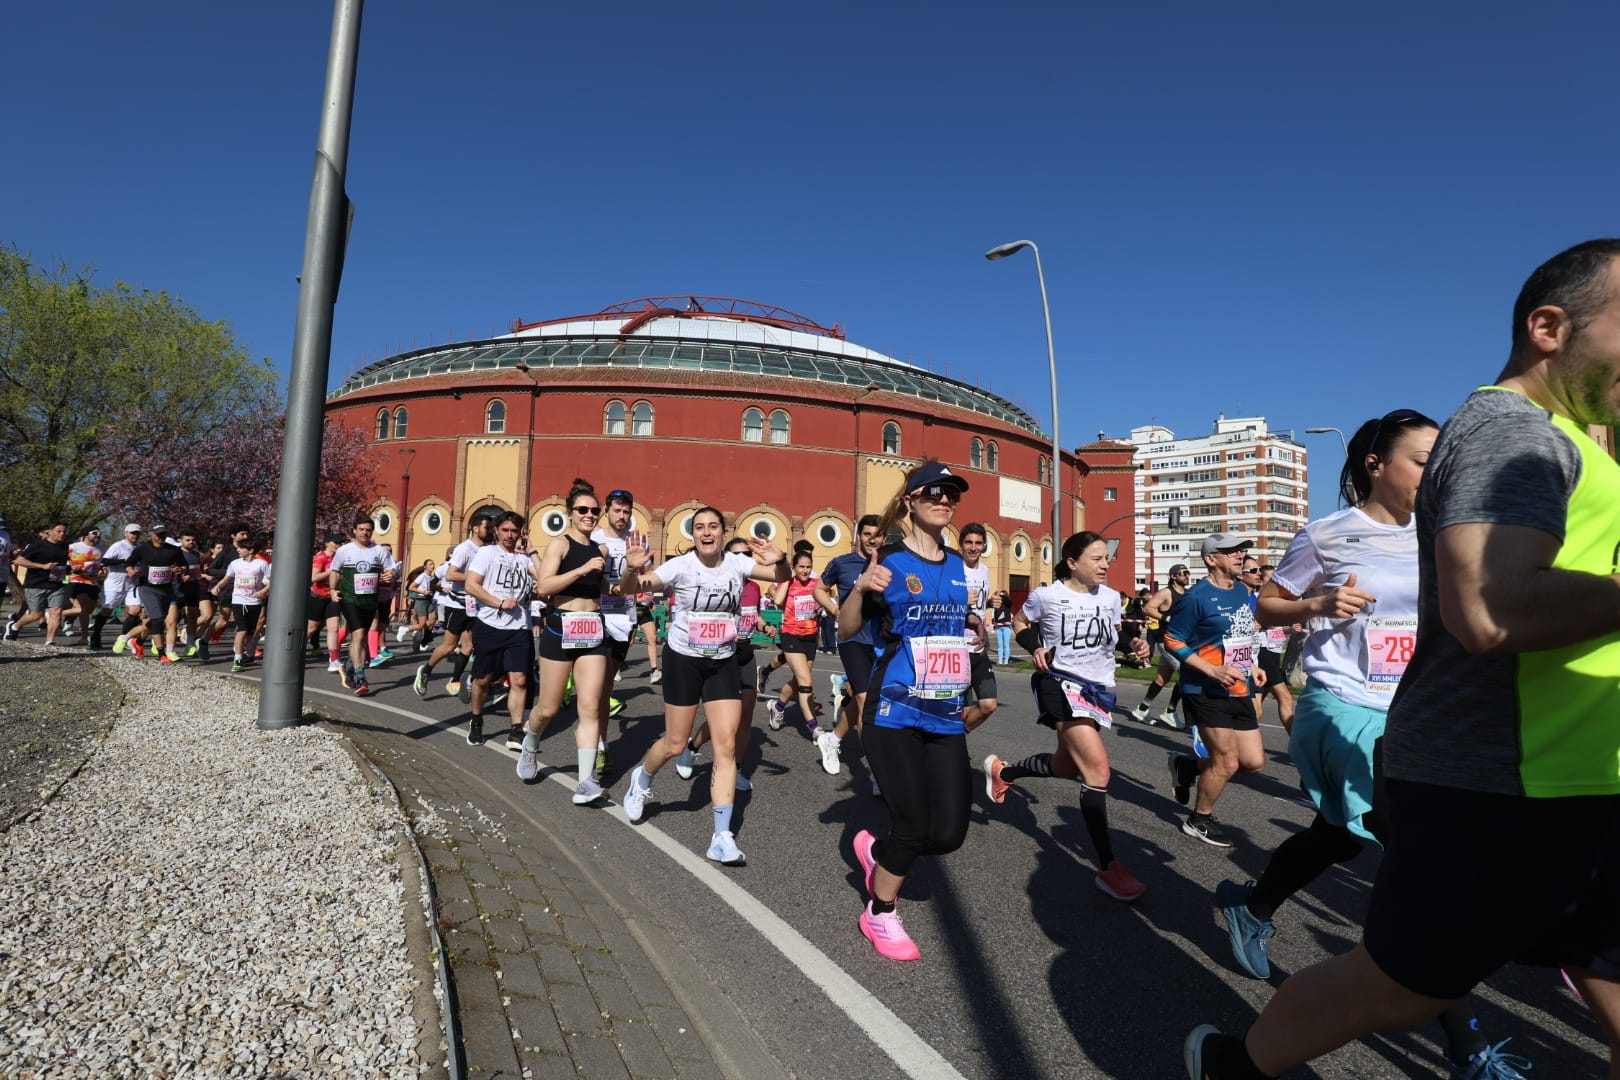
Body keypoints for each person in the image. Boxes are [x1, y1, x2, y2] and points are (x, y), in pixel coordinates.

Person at [1186, 239, 1620, 1079]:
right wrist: (1315, 607)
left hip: (1587, 770)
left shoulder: (1585, 446)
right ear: (1550, 327)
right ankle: (1239, 1056)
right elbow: (1489, 610)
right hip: (1490, 775)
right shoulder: (1509, 435)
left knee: (1605, 961)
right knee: (1404, 982)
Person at [841, 461, 974, 961]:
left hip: (943, 710)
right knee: (914, 824)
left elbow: (953, 626)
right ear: (911, 501)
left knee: (949, 834)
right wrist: (858, 588)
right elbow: (849, 630)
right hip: (893, 709)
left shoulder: (960, 564)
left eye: (952, 495)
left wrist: (972, 632)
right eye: (935, 492)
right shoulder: (889, 561)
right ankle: (879, 913)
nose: (945, 500)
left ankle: (878, 853)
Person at [985, 531, 1151, 902]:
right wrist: (1035, 647)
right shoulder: (1048, 595)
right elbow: (1019, 622)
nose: (1105, 564)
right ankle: (1109, 869)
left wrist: (1134, 645)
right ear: (1073, 562)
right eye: (1096, 559)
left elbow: (1111, 636)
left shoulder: (1110, 598)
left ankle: (1005, 773)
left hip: (1097, 689)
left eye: (1106, 558)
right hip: (1059, 684)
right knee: (1097, 772)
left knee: (1064, 767)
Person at [618, 507, 789, 866]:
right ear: (693, 534)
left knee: (725, 747)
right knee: (675, 742)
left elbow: (780, 576)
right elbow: (630, 589)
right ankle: (642, 778)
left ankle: (721, 837)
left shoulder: (737, 565)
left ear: (724, 532)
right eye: (700, 527)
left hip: (722, 660)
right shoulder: (680, 566)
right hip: (683, 660)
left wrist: (782, 560)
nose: (707, 533)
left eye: (713, 527)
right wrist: (632, 568)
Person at [1164, 533, 1267, 848]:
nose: (1240, 555)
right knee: (1226, 761)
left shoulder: (1242, 591)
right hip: (1204, 687)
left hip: (1239, 684)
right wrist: (1210, 669)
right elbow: (1173, 639)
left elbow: (1240, 635)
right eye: (1231, 551)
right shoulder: (1197, 596)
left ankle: (1186, 766)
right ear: (1211, 559)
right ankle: (1199, 820)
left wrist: (1254, 664)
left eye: (1241, 551)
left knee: (1253, 762)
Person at [514, 481, 614, 802]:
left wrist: (633, 573)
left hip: (593, 630)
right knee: (548, 707)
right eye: (583, 510)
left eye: (594, 511)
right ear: (571, 514)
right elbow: (544, 586)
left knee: (590, 708)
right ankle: (530, 745)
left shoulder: (603, 550)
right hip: (560, 628)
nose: (589, 515)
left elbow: (610, 590)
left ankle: (585, 782)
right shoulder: (560, 544)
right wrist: (582, 569)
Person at [675, 535, 770, 792]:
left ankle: (735, 769)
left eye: (747, 556)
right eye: (737, 555)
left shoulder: (754, 587)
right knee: (727, 720)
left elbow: (755, 615)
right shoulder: (719, 584)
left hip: (746, 654)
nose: (743, 561)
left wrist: (764, 626)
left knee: (746, 717)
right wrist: (725, 632)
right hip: (721, 655)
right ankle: (693, 747)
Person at [813, 514, 885, 791]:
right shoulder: (842, 563)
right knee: (868, 702)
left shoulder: (887, 563)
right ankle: (878, 772)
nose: (872, 540)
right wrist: (834, 610)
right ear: (858, 536)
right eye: (867, 534)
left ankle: (832, 740)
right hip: (851, 640)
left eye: (877, 535)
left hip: (880, 642)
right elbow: (820, 588)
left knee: (860, 697)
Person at [464, 512, 538, 755]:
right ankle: (476, 718)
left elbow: (545, 578)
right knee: (483, 680)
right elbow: (471, 585)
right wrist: (497, 602)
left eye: (514, 531)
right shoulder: (487, 554)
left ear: (520, 533)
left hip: (519, 628)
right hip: (490, 625)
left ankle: (516, 729)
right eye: (505, 530)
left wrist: (533, 553)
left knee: (520, 680)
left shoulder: (524, 559)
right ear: (497, 531)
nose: (509, 535)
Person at [414, 512, 495, 698]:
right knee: (449, 646)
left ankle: (455, 680)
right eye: (487, 528)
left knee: (469, 646)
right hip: (458, 605)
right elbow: (450, 575)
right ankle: (425, 671)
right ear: (475, 529)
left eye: (491, 528)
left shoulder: (488, 549)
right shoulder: (464, 549)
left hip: (475, 605)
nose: (490, 531)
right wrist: (476, 577)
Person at [326, 513, 397, 695]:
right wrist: (333, 590)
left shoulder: (379, 550)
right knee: (357, 635)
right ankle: (361, 678)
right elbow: (335, 570)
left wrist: (391, 574)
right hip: (349, 599)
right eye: (362, 530)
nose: (365, 533)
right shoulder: (345, 550)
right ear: (354, 531)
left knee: (362, 637)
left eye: (368, 530)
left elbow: (392, 568)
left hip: (370, 601)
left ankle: (349, 665)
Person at [765, 549, 823, 746]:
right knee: (806, 680)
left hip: (810, 636)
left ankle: (778, 706)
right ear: (794, 567)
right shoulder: (788, 582)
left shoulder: (817, 584)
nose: (805, 571)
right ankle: (814, 728)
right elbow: (778, 599)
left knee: (798, 681)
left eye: (808, 567)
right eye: (801, 567)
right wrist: (787, 579)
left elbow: (826, 601)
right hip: (790, 635)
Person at [1131, 564, 1191, 729]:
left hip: (1181, 639)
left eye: (1188, 573)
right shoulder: (1166, 592)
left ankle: (1142, 709)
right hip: (1167, 640)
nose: (1187, 576)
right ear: (1173, 576)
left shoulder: (1187, 593)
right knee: (1187, 673)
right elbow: (1148, 608)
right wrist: (1166, 618)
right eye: (1183, 573)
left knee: (1162, 678)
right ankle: (1170, 711)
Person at [119, 524, 188, 661]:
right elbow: (129, 563)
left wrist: (182, 570)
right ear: (152, 535)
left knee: (159, 619)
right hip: (147, 588)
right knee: (157, 618)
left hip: (166, 589)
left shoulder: (174, 550)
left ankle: (137, 641)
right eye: (158, 534)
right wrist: (130, 570)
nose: (161, 537)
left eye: (164, 534)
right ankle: (162, 654)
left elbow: (184, 565)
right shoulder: (143, 549)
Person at [958, 523, 999, 732]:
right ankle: (954, 751)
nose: (973, 548)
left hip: (980, 647)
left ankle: (955, 739)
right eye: (969, 543)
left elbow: (979, 605)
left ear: (983, 546)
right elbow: (939, 602)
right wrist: (960, 599)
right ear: (961, 545)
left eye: (978, 543)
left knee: (988, 704)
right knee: (961, 710)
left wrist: (991, 603)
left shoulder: (984, 570)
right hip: (958, 648)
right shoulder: (953, 569)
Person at [7, 521, 72, 646]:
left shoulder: (67, 548)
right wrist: (43, 566)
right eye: (59, 531)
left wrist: (71, 569)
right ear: (50, 532)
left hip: (57, 584)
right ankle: (15, 626)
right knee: (36, 615)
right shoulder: (38, 546)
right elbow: (19, 561)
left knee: (56, 612)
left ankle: (50, 641)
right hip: (36, 584)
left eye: (65, 531)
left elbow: (68, 564)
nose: (62, 534)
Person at [214, 535, 272, 672]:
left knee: (251, 631)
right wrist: (218, 586)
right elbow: (227, 578)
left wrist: (263, 590)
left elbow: (272, 580)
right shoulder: (235, 563)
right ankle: (238, 658)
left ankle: (249, 653)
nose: (238, 550)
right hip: (239, 600)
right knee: (242, 629)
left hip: (255, 602)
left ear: (250, 550)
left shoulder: (261, 564)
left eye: (241, 548)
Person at [64, 527, 104, 646]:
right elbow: (61, 559)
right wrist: (70, 568)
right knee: (83, 609)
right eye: (95, 533)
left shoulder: (101, 549)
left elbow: (102, 564)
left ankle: (58, 613)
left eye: (100, 533)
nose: (98, 535)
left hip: (93, 582)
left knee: (89, 610)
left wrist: (103, 570)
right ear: (86, 535)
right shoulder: (74, 547)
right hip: (77, 580)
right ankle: (85, 637)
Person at [991, 591, 1014, 665]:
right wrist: (994, 622)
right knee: (1000, 645)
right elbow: (995, 616)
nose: (1000, 597)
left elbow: (1008, 600)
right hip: (999, 627)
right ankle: (1000, 660)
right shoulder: (997, 606)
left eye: (1002, 596)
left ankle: (1006, 660)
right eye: (1000, 595)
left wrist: (1003, 596)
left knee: (1006, 645)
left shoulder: (1008, 605)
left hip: (1006, 627)